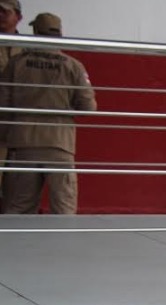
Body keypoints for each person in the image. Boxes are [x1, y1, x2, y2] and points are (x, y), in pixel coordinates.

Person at [0, 12, 96, 214]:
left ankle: (16, 247)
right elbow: (88, 107)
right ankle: (63, 246)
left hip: (22, 144)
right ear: (59, 34)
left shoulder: (16, 63)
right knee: (63, 210)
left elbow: (3, 105)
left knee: (18, 209)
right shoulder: (73, 67)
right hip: (59, 145)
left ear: (35, 33)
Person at [0, 0, 23, 196]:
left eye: (4, 12)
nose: (0, 15)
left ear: (18, 17)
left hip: (18, 130)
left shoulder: (28, 49)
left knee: (16, 191)